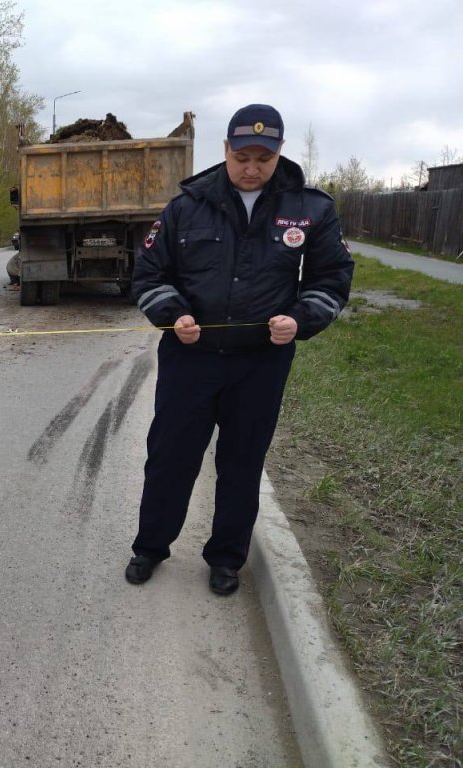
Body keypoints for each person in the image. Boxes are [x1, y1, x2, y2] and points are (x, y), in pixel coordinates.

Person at [124, 104, 354, 596]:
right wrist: (173, 314)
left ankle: (226, 559)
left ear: (278, 155)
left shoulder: (311, 208)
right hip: (191, 358)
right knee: (170, 457)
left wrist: (300, 319)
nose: (251, 168)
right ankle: (150, 547)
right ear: (225, 150)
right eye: (242, 156)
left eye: (263, 159)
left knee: (242, 461)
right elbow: (149, 274)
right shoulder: (186, 207)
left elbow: (331, 279)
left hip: (261, 363)